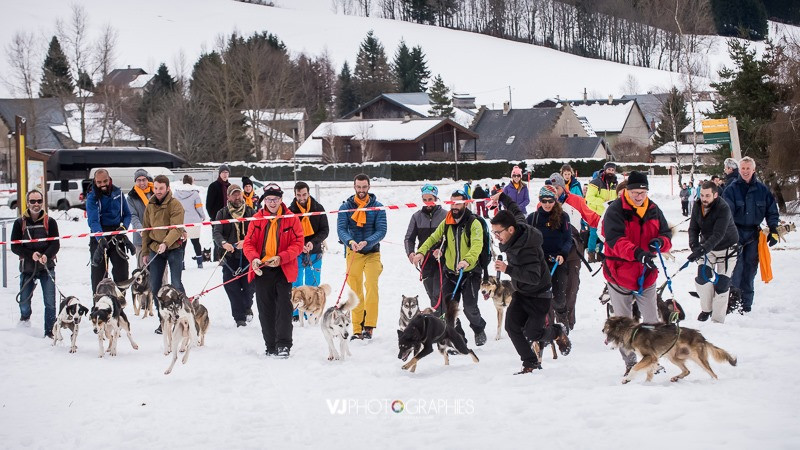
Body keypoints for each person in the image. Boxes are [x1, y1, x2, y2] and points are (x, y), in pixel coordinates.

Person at [489, 191, 570, 374]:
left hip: (539, 295)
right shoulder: (518, 226)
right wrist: (502, 197)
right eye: (494, 232)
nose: (496, 236)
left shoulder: (528, 248)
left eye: (498, 232)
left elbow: (533, 278)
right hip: (522, 293)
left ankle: (556, 331)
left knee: (533, 333)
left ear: (510, 230)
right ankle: (530, 362)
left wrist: (507, 269)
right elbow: (515, 209)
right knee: (512, 326)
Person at [601, 171, 672, 376]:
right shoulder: (615, 210)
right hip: (619, 274)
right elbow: (614, 241)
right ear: (627, 191)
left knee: (651, 320)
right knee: (624, 323)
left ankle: (652, 360)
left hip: (646, 275)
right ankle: (630, 361)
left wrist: (661, 242)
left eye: (642, 192)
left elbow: (666, 234)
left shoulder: (653, 209)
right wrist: (636, 253)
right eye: (635, 192)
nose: (639, 196)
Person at [414, 189, 488, 346]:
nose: (454, 206)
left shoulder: (474, 223)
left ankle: (479, 328)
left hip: (469, 273)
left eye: (458, 203)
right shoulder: (447, 222)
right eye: (452, 202)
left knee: (470, 308)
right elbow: (433, 238)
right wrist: (420, 252)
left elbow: (477, 245)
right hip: (450, 273)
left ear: (465, 203)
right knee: (448, 310)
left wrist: (467, 260)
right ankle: (459, 338)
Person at [243, 183, 304, 358]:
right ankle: (270, 344)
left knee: (284, 306)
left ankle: (284, 344)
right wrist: (254, 258)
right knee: (265, 308)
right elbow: (248, 243)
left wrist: (282, 257)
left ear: (281, 200)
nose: (272, 202)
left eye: (275, 199)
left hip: (283, 268)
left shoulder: (291, 218)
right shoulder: (256, 219)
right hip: (262, 269)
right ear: (264, 200)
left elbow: (298, 243)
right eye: (269, 199)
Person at [722, 157, 780, 313]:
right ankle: (733, 304)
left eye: (748, 168)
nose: (745, 171)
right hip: (735, 234)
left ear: (753, 170)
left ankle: (746, 306)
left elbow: (772, 211)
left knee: (750, 270)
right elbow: (725, 213)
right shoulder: (731, 189)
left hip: (754, 235)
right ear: (739, 170)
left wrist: (773, 229)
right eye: (743, 168)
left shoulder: (762, 190)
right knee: (736, 270)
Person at [546, 173, 601, 330]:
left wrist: (609, 225)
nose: (554, 192)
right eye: (551, 188)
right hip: (552, 254)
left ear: (563, 188)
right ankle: (555, 320)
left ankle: (568, 321)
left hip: (573, 252)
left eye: (557, 188)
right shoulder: (544, 204)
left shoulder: (576, 201)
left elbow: (593, 218)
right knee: (553, 289)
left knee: (571, 288)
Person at [337, 174, 387, 340]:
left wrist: (367, 242)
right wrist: (350, 242)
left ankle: (369, 326)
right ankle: (357, 328)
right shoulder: (345, 207)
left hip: (372, 252)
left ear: (369, 187)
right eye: (358, 187)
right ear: (354, 187)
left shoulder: (377, 207)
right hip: (353, 253)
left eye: (364, 187)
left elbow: (381, 231)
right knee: (356, 291)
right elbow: (341, 229)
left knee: (371, 286)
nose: (361, 190)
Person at [688, 181, 740, 323]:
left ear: (715, 195)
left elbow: (718, 234)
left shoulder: (723, 208)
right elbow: (693, 228)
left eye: (707, 196)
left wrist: (702, 249)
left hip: (727, 249)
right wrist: (694, 246)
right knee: (702, 278)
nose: (704, 198)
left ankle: (717, 320)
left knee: (722, 284)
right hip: (708, 248)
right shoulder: (698, 206)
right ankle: (707, 309)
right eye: (702, 195)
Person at [10, 189, 59, 337]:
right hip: (28, 268)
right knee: (24, 301)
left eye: (39, 201)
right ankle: (25, 318)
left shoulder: (50, 222)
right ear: (27, 203)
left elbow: (55, 244)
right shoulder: (19, 223)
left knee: (50, 301)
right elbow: (14, 246)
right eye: (32, 201)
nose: (36, 204)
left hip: (46, 267)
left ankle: (50, 330)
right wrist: (30, 255)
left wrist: (46, 255)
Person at [142, 175, 186, 334]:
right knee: (155, 286)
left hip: (174, 248)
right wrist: (145, 251)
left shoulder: (175, 205)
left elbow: (177, 228)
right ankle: (163, 321)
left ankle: (183, 316)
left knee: (176, 284)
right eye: (156, 188)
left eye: (161, 188)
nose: (158, 191)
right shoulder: (150, 204)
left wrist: (166, 243)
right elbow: (146, 228)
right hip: (155, 248)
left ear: (167, 188)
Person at [527, 185, 573, 327]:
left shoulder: (563, 217)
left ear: (555, 200)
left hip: (557, 261)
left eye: (550, 201)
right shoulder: (532, 218)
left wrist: (563, 254)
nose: (547, 204)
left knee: (558, 297)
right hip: (539, 262)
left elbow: (568, 239)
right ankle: (544, 324)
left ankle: (562, 317)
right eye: (544, 200)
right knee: (541, 295)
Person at [213, 184, 255, 327]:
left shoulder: (250, 211)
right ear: (228, 197)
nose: (237, 197)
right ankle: (239, 318)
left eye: (239, 194)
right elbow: (216, 232)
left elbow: (258, 231)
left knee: (249, 286)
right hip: (229, 256)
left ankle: (247, 306)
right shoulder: (222, 213)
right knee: (232, 287)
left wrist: (247, 241)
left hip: (248, 255)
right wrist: (224, 243)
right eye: (234, 194)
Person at [86, 168, 132, 294]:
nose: (102, 185)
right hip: (99, 235)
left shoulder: (118, 193)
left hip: (117, 234)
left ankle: (119, 304)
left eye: (105, 181)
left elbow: (128, 214)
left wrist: (124, 227)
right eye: (99, 182)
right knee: (98, 275)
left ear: (109, 179)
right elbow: (93, 221)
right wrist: (100, 239)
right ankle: (98, 305)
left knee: (122, 273)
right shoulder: (92, 197)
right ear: (95, 182)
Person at [405, 184, 448, 314]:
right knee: (431, 294)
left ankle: (444, 323)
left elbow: (451, 238)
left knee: (438, 293)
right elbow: (409, 238)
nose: (428, 202)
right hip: (425, 261)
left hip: (442, 260)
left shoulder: (445, 215)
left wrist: (442, 250)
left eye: (431, 199)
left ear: (436, 198)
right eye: (425, 199)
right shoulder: (416, 217)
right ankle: (444, 321)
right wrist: (411, 253)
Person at [288, 181, 329, 292]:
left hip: (315, 252)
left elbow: (325, 230)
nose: (302, 198)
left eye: (304, 194)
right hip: (296, 254)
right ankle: (295, 310)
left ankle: (311, 310)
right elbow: (287, 234)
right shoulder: (289, 211)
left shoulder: (318, 208)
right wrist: (299, 245)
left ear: (309, 194)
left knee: (312, 289)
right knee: (296, 289)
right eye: (299, 195)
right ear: (295, 195)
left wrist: (313, 242)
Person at [585, 162, 618, 263]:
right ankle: (591, 254)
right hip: (595, 212)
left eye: (613, 170)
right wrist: (603, 202)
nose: (610, 172)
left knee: (605, 233)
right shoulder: (596, 182)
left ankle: (599, 253)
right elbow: (589, 197)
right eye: (609, 170)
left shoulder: (614, 183)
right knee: (594, 233)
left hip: (607, 212)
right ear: (605, 170)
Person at [175, 175, 207, 269]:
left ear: (183, 182)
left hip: (182, 221)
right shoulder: (195, 193)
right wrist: (203, 216)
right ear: (192, 182)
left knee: (182, 244)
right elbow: (199, 207)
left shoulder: (176, 194)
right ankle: (199, 262)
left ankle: (182, 264)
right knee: (196, 242)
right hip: (194, 221)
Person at [128, 169, 153, 268]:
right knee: (143, 269)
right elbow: (133, 216)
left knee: (160, 269)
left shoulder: (155, 192)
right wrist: (141, 229)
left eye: (144, 179)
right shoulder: (131, 197)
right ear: (135, 181)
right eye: (139, 180)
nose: (142, 182)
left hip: (157, 237)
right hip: (140, 239)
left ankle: (162, 284)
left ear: (148, 180)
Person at [206, 164, 231, 261]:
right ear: (219, 174)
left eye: (227, 172)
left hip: (229, 218)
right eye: (223, 172)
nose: (225, 175)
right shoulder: (213, 186)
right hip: (217, 218)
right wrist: (214, 217)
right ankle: (217, 258)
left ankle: (226, 258)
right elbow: (209, 205)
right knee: (218, 239)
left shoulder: (230, 186)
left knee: (228, 238)